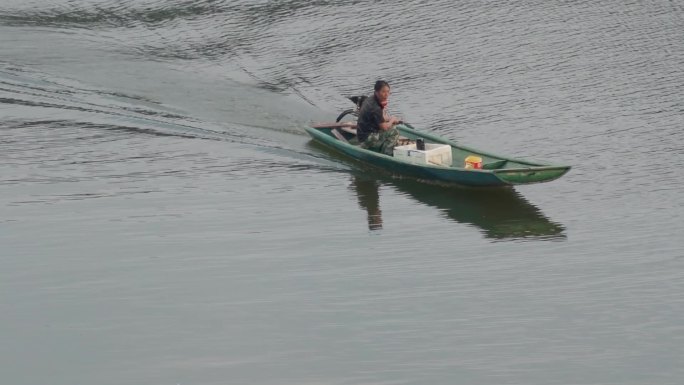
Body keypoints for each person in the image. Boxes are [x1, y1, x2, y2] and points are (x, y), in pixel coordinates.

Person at [356, 80, 401, 155]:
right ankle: (386, 153)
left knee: (392, 126)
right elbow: (384, 127)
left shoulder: (370, 99)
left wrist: (390, 119)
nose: (386, 94)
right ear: (377, 92)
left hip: (361, 134)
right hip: (367, 138)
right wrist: (392, 120)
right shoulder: (375, 108)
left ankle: (383, 146)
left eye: (388, 92)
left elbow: (379, 118)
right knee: (394, 132)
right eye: (383, 92)